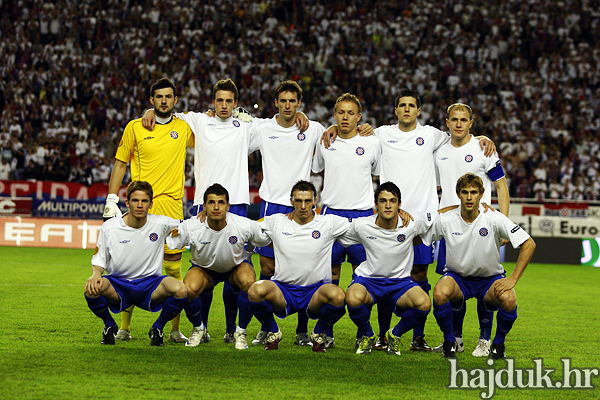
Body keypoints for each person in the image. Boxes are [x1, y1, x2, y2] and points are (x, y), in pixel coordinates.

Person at [143, 79, 308, 343]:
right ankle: (204, 328)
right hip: (203, 205)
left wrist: (299, 114)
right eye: (219, 100)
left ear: (235, 103)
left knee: (238, 270)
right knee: (203, 265)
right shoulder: (198, 120)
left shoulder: (246, 126)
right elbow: (167, 115)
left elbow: (279, 123)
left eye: (229, 101)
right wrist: (149, 112)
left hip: (238, 204)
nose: (223, 105)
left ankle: (232, 329)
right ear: (212, 102)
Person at [372, 88, 496, 351]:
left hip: (424, 220)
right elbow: (355, 140)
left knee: (419, 274)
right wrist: (335, 130)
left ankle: (418, 337)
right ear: (395, 110)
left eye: (411, 105)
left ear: (419, 111)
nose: (406, 109)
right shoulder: (381, 134)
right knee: (385, 275)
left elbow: (461, 137)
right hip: (390, 217)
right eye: (402, 105)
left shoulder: (431, 135)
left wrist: (481, 138)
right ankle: (383, 335)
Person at [103, 78, 194, 343]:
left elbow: (214, 129)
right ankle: (125, 327)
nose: (164, 101)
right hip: (141, 206)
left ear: (175, 100)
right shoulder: (135, 127)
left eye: (168, 96)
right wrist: (112, 199)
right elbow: (120, 162)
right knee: (130, 266)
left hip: (171, 207)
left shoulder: (185, 127)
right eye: (158, 97)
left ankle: (174, 329)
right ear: (151, 101)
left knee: (174, 268)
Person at [247, 80, 327, 347]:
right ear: (276, 103)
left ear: (299, 104)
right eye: (283, 101)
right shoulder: (262, 128)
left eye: (293, 101)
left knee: (304, 270)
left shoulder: (313, 128)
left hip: (302, 206)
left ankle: (302, 330)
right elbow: (236, 137)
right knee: (267, 268)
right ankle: (267, 327)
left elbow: (337, 133)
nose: (288, 105)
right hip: (271, 205)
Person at [422, 173, 535, 358]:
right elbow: (422, 238)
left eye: (473, 192)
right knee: (439, 292)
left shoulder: (494, 218)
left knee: (509, 298)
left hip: (489, 280)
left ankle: (498, 344)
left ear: (481, 194)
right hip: (458, 279)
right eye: (465, 192)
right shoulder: (446, 219)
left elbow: (529, 243)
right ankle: (450, 342)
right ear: (458, 194)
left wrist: (513, 279)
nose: (469, 197)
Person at [433, 103, 510, 357]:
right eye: (453, 119)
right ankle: (456, 339)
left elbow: (501, 187)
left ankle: (484, 340)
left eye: (463, 120)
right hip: (450, 230)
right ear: (446, 123)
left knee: (484, 284)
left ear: (471, 123)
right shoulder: (438, 151)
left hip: (482, 228)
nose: (458, 124)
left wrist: (504, 227)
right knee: (453, 285)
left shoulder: (482, 148)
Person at [248, 180, 350, 352]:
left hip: (315, 291)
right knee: (254, 291)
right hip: (283, 290)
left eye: (307, 201)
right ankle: (273, 331)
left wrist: (397, 215)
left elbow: (363, 226)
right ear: (291, 201)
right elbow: (248, 227)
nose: (303, 206)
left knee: (339, 297)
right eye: (298, 201)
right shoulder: (276, 221)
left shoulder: (329, 223)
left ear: (315, 200)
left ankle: (318, 333)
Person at [166, 184, 271, 350]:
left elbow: (267, 239)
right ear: (204, 205)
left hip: (236, 267)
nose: (216, 207)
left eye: (221, 202)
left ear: (228, 206)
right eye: (211, 202)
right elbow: (169, 241)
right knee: (187, 289)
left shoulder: (243, 225)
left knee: (249, 283)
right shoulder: (192, 226)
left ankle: (240, 332)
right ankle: (199, 328)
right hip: (204, 269)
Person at [312, 93, 380, 346]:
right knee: (330, 275)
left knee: (364, 277)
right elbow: (316, 168)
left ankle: (364, 331)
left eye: (351, 113)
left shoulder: (372, 143)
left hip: (363, 217)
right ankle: (325, 331)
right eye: (341, 112)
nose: (345, 116)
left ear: (359, 117)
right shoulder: (325, 141)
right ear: (334, 114)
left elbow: (378, 172)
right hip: (332, 215)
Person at [85, 181, 188, 346]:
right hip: (118, 284)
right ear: (127, 203)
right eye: (135, 200)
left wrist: (204, 216)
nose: (140, 205)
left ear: (151, 204)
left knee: (181, 290)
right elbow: (99, 259)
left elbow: (190, 226)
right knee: (91, 289)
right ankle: (109, 325)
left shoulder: (161, 223)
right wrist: (96, 274)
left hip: (150, 285)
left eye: (144, 201)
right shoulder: (110, 227)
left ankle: (158, 328)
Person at [340, 182, 432, 355]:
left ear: (399, 204)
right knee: (352, 298)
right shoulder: (362, 225)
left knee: (424, 303)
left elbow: (441, 216)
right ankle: (368, 335)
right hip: (369, 280)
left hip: (401, 283)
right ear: (376, 204)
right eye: (383, 201)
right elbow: (334, 229)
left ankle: (394, 334)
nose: (388, 205)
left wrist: (479, 207)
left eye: (393, 201)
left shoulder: (412, 223)